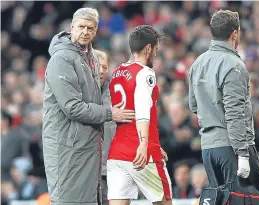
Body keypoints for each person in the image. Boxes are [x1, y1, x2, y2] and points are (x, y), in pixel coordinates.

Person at [43, 8, 134, 205]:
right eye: (81, 27)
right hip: (68, 149)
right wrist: (110, 114)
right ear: (71, 27)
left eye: (90, 28)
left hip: (87, 147)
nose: (85, 31)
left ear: (96, 31)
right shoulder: (61, 59)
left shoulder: (91, 58)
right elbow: (72, 107)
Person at [188, 10, 259, 190]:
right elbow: (235, 113)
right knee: (243, 201)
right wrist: (243, 154)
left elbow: (193, 105)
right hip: (232, 148)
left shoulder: (197, 63)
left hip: (208, 150)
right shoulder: (234, 65)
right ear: (235, 33)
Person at [107, 25, 172, 205]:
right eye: (156, 50)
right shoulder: (145, 73)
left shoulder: (116, 73)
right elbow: (142, 111)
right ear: (148, 48)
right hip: (141, 152)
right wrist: (145, 143)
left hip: (117, 153)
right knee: (164, 201)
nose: (156, 54)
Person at [94, 49, 116, 205]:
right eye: (97, 66)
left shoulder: (115, 94)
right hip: (86, 170)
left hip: (111, 169)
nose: (102, 71)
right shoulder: (78, 95)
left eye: (105, 67)